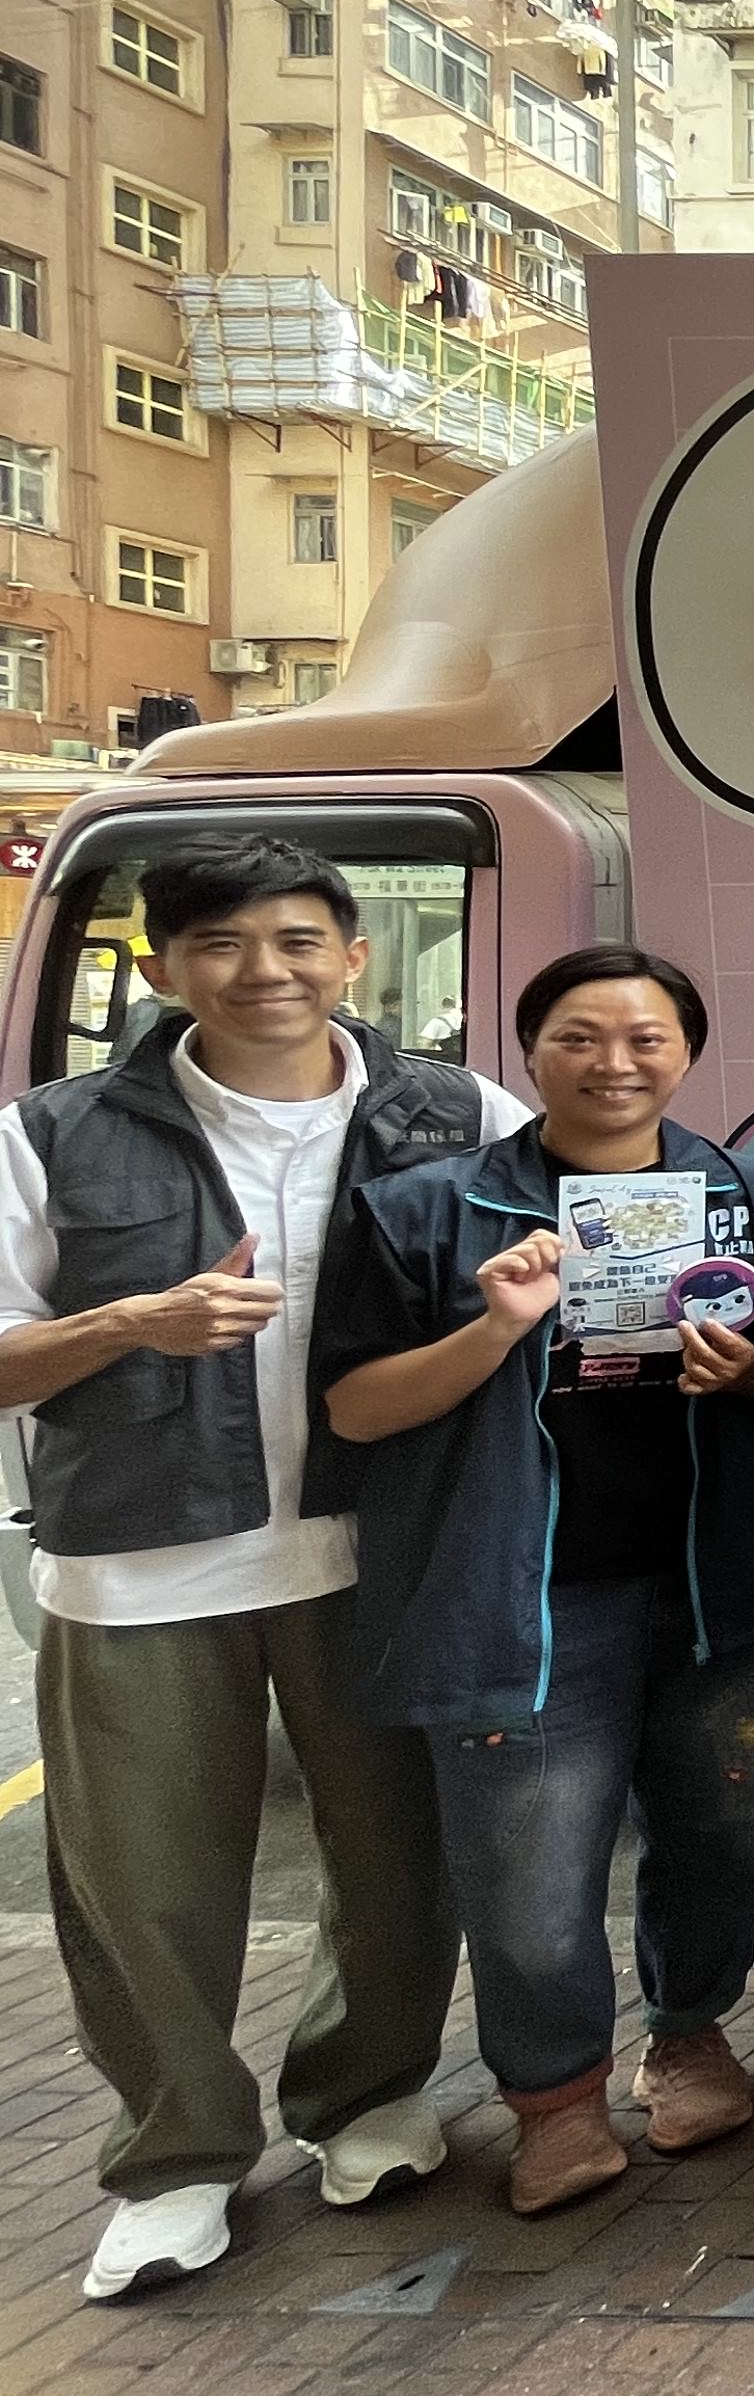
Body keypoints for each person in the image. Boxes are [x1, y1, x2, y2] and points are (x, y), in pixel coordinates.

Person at [0, 836, 525, 2301]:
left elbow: (587, 1246)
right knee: (143, 1884)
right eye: (222, 942)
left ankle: (367, 2095)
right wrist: (131, 1324)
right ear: (163, 966)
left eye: (298, 940)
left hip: (382, 1548)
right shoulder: (53, 1132)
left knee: (396, 1856)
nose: (264, 971)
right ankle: (177, 2158)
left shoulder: (458, 1113)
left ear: (353, 956)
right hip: (142, 1567)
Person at [317, 947, 754, 2214]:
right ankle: (556, 2099)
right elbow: (356, 1410)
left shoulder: (748, 1198)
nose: (614, 1064)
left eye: (646, 1039)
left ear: (686, 1054)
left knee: (727, 1835)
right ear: (528, 1052)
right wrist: (496, 1329)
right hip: (516, 1598)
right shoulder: (425, 1211)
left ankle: (689, 2033)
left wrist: (753, 1366)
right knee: (528, 1876)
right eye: (580, 1038)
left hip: (712, 1583)